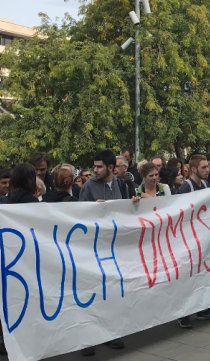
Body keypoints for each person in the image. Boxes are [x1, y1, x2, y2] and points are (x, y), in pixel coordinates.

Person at [78, 150, 130, 356]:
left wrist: (133, 204)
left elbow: (124, 211)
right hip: (93, 249)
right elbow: (79, 218)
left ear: (111, 168)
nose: (94, 170)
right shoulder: (89, 187)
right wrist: (91, 209)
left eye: (99, 167)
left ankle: (111, 334)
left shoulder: (121, 184)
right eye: (94, 166)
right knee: (92, 294)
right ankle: (87, 339)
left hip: (114, 249)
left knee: (111, 293)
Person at [176, 155, 210, 328]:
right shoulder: (185, 187)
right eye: (203, 167)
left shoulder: (204, 184)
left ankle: (204, 308)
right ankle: (183, 313)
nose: (207, 170)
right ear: (194, 169)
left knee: (204, 274)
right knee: (188, 276)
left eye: (207, 167)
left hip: (202, 237)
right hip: (189, 239)